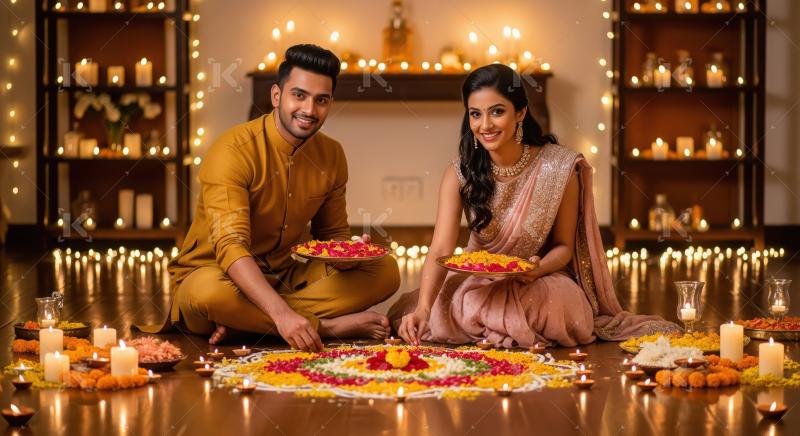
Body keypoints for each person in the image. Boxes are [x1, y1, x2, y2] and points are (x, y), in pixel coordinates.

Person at [391, 64, 677, 348]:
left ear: (520, 113)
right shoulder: (460, 174)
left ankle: (492, 328)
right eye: (475, 114)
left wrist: (537, 269)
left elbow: (564, 246)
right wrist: (424, 309)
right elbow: (441, 248)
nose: (485, 125)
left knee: (560, 304)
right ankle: (502, 327)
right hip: (478, 283)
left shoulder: (559, 167)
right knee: (440, 306)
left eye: (497, 112)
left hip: (538, 281)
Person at [139, 44, 400, 350]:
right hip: (219, 276)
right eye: (299, 95)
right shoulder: (232, 150)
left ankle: (246, 323)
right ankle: (322, 327)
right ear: (277, 96)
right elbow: (231, 247)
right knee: (206, 293)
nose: (309, 110)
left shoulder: (332, 155)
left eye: (321, 100)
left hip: (286, 277)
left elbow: (332, 236)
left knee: (385, 271)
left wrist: (346, 256)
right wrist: (284, 316)